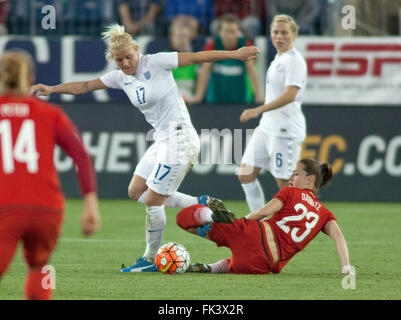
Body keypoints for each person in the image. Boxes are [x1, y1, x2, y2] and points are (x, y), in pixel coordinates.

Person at [29, 24, 260, 273]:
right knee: (136, 191)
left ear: (136, 50)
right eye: (119, 60)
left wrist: (236, 54)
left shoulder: (157, 62)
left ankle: (150, 259)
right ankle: (201, 202)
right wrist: (52, 89)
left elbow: (196, 57)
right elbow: (86, 86)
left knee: (152, 200)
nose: (126, 63)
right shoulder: (119, 77)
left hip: (180, 139)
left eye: (129, 57)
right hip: (162, 140)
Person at [0, 50, 100, 300]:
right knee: (39, 266)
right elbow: (81, 155)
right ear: (30, 77)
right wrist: (90, 203)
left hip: (5, 207)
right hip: (47, 209)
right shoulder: (51, 113)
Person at [176, 159, 354, 275]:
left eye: (296, 174)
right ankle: (212, 268)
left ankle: (211, 217)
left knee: (184, 219)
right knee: (235, 264)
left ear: (310, 179)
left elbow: (263, 212)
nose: (291, 178)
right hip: (262, 264)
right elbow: (339, 237)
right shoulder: (324, 214)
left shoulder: (290, 192)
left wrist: (240, 222)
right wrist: (346, 266)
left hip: (252, 234)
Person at [237, 14, 307, 213]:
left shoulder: (295, 61)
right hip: (267, 126)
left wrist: (258, 109)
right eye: (275, 32)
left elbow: (290, 95)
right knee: (245, 173)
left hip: (285, 129)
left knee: (285, 184)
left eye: (284, 32)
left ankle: (297, 225)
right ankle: (261, 224)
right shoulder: (279, 58)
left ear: (293, 34)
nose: (279, 36)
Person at [186, 14, 264, 105]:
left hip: (240, 101)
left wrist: (259, 96)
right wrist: (198, 96)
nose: (230, 36)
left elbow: (252, 71)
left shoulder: (246, 46)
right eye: (226, 31)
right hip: (215, 101)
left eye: (233, 31)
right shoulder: (212, 45)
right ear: (220, 32)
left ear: (238, 32)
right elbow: (204, 71)